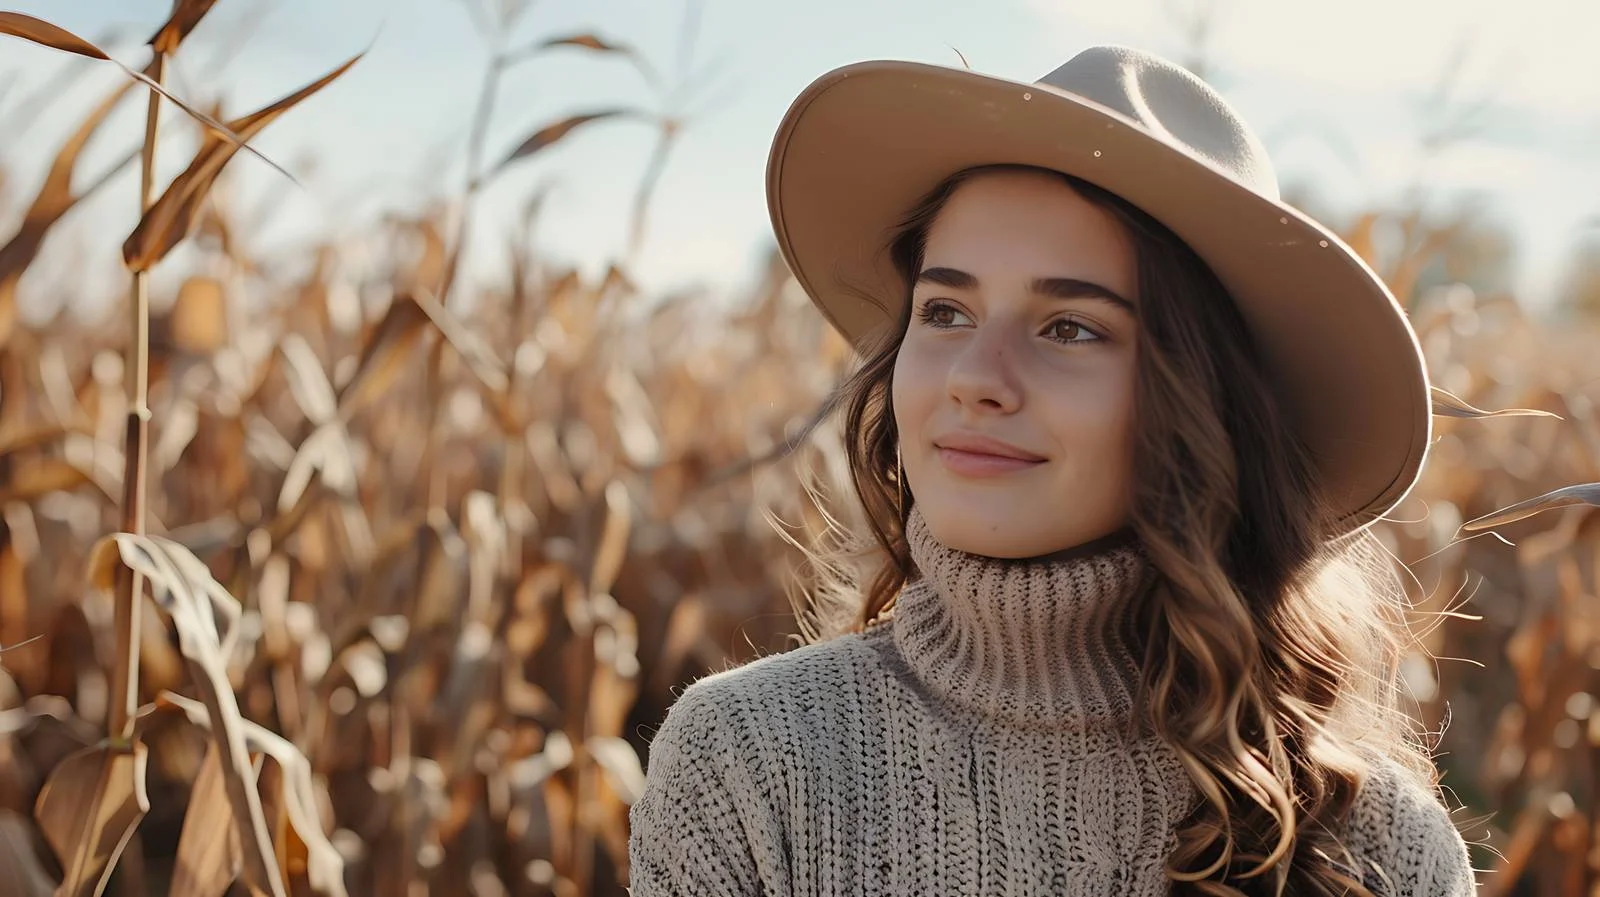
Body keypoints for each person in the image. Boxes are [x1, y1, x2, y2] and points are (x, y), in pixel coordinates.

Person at [627, 45, 1479, 896]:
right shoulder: (747, 764)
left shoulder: (1379, 849)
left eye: (1069, 327)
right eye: (946, 311)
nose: (973, 377)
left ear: (1202, 404)